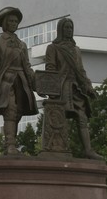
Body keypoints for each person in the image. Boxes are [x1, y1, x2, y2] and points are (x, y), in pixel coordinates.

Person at [44, 17, 102, 160]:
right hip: (61, 88)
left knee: (82, 117)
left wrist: (89, 87)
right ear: (60, 30)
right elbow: (50, 68)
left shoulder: (76, 50)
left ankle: (88, 150)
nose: (69, 30)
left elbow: (81, 71)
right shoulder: (53, 48)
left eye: (71, 28)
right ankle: (56, 148)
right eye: (66, 28)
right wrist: (52, 90)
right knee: (58, 118)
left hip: (75, 88)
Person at [0, 6, 38, 155]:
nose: (14, 23)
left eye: (16, 21)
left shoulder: (22, 45)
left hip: (21, 82)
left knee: (18, 112)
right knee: (10, 111)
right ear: (5, 23)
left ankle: (10, 143)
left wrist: (36, 85)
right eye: (11, 21)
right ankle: (10, 145)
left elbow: (27, 67)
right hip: (6, 82)